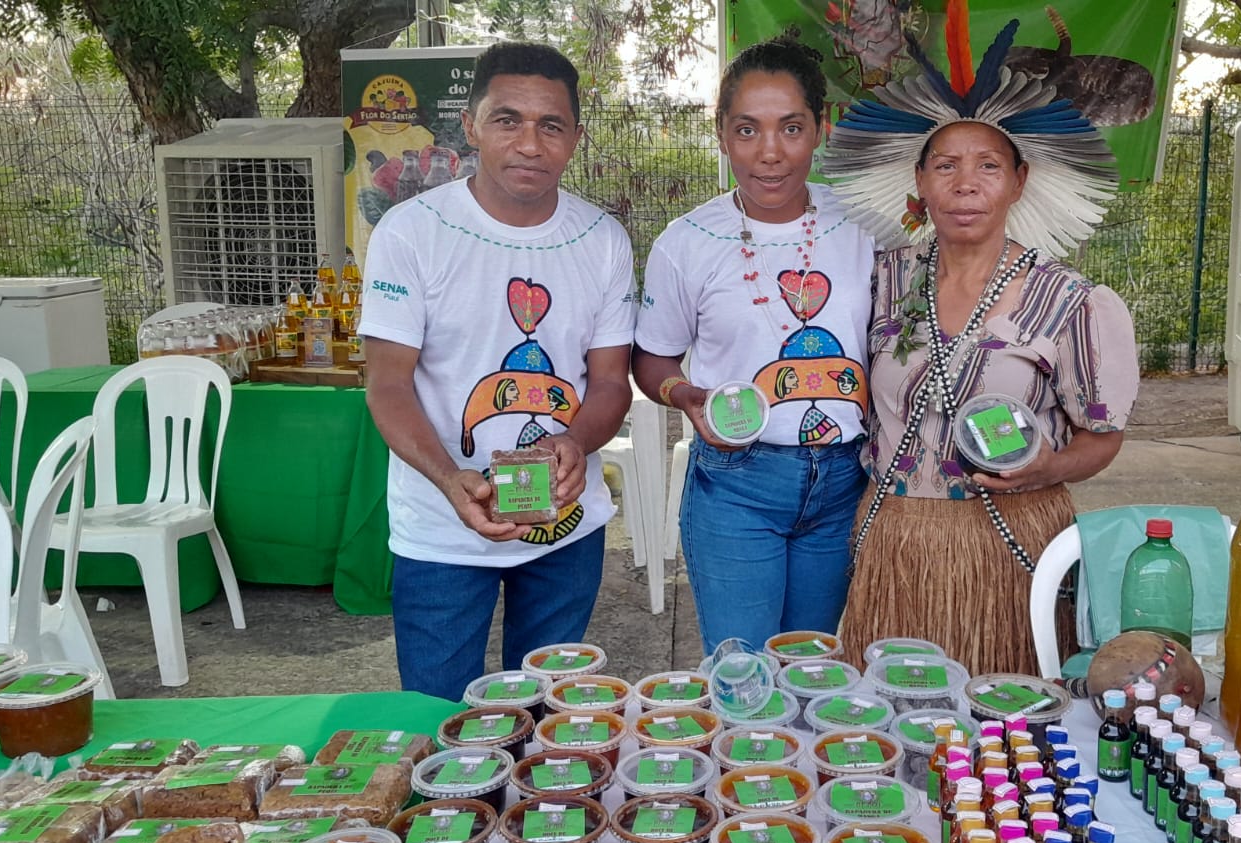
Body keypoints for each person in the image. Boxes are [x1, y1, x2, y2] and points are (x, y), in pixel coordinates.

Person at [820, 11, 1138, 676]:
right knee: (893, 729)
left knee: (1004, 736)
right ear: (920, 181)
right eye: (946, 166)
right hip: (895, 540)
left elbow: (1102, 436)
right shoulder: (881, 279)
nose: (966, 185)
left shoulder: (1069, 301)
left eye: (989, 166)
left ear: (1020, 182)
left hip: (1010, 540)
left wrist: (1050, 467)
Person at [359, 42, 636, 701]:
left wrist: (574, 442)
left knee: (548, 721)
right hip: (441, 527)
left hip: (565, 527)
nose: (530, 144)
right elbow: (388, 383)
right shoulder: (411, 233)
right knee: (437, 723)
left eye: (552, 125)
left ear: (576, 138)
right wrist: (452, 479)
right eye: (508, 120)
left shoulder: (602, 240)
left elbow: (607, 384)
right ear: (471, 124)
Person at [633, 38, 874, 653]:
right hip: (737, 484)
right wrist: (686, 395)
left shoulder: (867, 229)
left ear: (821, 129)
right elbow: (652, 358)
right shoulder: (687, 242)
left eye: (791, 128)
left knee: (809, 664)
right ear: (721, 134)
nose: (770, 154)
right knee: (744, 679)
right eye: (747, 130)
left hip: (845, 479)